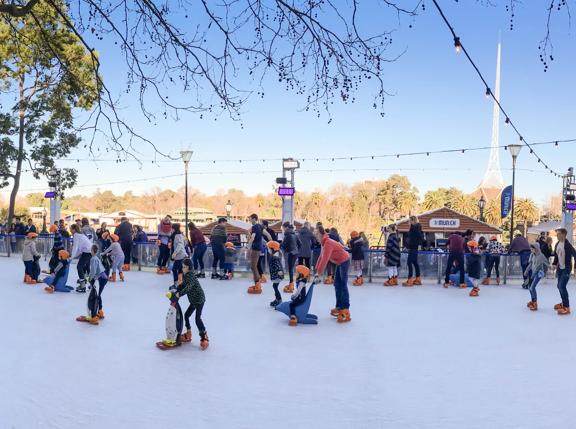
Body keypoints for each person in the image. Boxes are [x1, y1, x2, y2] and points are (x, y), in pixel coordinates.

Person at [314, 225, 352, 323]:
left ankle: (346, 309)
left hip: (344, 261)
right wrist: (316, 272)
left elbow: (325, 259)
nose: (316, 238)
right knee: (336, 284)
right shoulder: (324, 243)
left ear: (321, 234)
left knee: (343, 284)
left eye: (316, 235)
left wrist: (319, 274)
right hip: (339, 262)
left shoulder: (328, 243)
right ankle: (339, 306)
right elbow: (321, 257)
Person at [172, 259, 209, 350]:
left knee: (197, 319)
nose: (183, 268)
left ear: (189, 268)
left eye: (184, 267)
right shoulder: (186, 275)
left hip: (199, 300)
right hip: (193, 300)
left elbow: (188, 287)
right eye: (183, 267)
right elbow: (183, 285)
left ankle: (204, 336)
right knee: (186, 315)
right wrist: (176, 290)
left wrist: (179, 294)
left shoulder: (191, 275)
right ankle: (188, 334)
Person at [552, 228, 576, 315]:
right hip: (560, 268)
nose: (557, 235)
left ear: (563, 235)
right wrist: (554, 264)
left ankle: (566, 307)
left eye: (558, 234)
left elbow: (575, 254)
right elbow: (556, 255)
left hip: (566, 269)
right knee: (559, 286)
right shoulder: (557, 244)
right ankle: (563, 303)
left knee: (562, 286)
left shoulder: (568, 245)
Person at [247, 214, 271, 294]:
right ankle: (257, 284)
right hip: (259, 248)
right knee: (255, 266)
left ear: (254, 219)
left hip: (255, 248)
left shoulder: (254, 227)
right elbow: (268, 235)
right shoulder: (260, 226)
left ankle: (257, 285)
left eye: (250, 219)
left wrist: (247, 247)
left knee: (253, 266)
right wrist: (271, 245)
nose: (249, 220)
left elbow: (253, 237)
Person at [525, 243, 550, 311]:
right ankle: (533, 301)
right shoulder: (532, 255)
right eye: (531, 249)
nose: (531, 250)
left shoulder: (541, 256)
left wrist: (550, 267)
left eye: (532, 249)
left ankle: (535, 303)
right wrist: (526, 271)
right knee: (530, 287)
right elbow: (530, 264)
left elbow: (545, 264)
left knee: (532, 287)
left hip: (539, 273)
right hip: (533, 272)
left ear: (536, 249)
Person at [88, 244, 109, 319]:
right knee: (98, 295)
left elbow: (93, 271)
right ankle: (100, 311)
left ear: (93, 251)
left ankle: (99, 311)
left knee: (98, 295)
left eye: (91, 249)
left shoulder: (93, 259)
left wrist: (90, 278)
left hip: (101, 278)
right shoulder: (96, 258)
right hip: (102, 277)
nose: (90, 251)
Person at [71, 224, 92, 292]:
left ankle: (82, 286)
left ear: (74, 229)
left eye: (71, 228)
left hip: (87, 252)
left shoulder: (76, 235)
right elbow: (79, 250)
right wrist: (73, 256)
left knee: (79, 267)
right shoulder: (80, 235)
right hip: (90, 251)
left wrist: (71, 257)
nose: (70, 230)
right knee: (86, 268)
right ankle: (92, 284)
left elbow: (75, 247)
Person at [403, 216, 423, 286]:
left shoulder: (414, 227)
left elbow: (417, 237)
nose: (408, 222)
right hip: (414, 247)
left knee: (409, 263)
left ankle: (410, 279)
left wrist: (410, 244)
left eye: (409, 220)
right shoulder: (417, 227)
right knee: (415, 263)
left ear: (412, 221)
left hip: (413, 248)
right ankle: (418, 278)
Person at [169, 223, 188, 289]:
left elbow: (180, 244)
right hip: (182, 255)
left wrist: (175, 253)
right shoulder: (180, 235)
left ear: (174, 229)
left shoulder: (177, 235)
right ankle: (181, 284)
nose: (171, 230)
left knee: (174, 269)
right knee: (180, 270)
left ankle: (176, 284)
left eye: (172, 228)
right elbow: (185, 243)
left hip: (181, 256)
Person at [267, 241, 284, 307]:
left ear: (272, 249)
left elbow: (278, 266)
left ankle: (279, 300)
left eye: (268, 248)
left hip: (277, 276)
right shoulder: (275, 255)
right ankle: (277, 299)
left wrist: (279, 272)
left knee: (275, 287)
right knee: (275, 286)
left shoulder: (275, 258)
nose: (268, 250)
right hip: (276, 275)